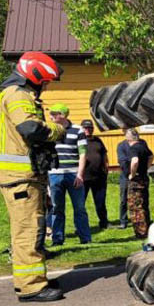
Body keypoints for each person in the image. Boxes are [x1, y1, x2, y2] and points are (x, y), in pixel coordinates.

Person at [0, 51, 65, 302]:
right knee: (28, 231)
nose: (44, 86)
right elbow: (30, 128)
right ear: (33, 76)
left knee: (32, 228)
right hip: (20, 176)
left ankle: (34, 280)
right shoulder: (17, 95)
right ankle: (31, 287)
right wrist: (57, 130)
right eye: (44, 81)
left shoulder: (16, 94)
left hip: (24, 175)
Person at [48, 104, 91, 245]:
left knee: (79, 208)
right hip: (55, 174)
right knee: (56, 208)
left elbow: (83, 154)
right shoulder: (48, 131)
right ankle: (57, 239)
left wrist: (80, 175)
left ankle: (85, 239)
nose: (51, 116)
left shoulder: (78, 130)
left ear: (64, 115)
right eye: (51, 113)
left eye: (55, 113)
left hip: (73, 174)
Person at [81, 119, 109, 229]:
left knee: (100, 202)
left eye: (90, 128)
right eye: (85, 128)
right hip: (83, 178)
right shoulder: (79, 141)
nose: (88, 130)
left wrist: (106, 168)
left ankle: (104, 223)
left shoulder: (98, 140)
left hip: (99, 177)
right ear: (82, 129)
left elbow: (104, 156)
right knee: (80, 204)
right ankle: (81, 225)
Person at [126, 129, 153, 239]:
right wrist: (147, 167)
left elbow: (135, 161)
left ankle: (141, 233)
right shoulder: (143, 145)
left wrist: (132, 174)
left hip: (136, 180)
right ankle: (147, 230)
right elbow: (151, 156)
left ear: (128, 138)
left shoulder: (133, 148)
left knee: (135, 207)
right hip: (144, 177)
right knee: (144, 204)